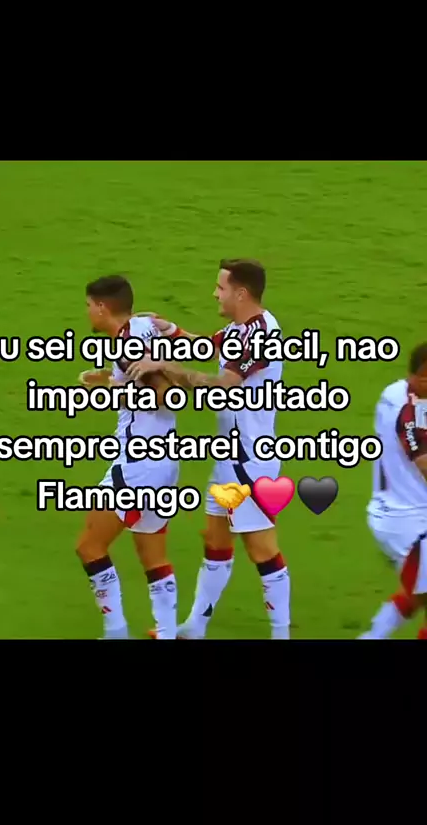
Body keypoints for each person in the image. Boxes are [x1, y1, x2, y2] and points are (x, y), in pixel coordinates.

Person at [127, 258, 291, 640]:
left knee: (262, 549)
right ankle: (195, 627)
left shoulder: (260, 335)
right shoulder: (241, 328)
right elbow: (208, 345)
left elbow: (225, 384)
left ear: (241, 293)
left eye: (220, 288)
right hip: (230, 456)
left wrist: (167, 367)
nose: (215, 294)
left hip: (250, 459)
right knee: (215, 541)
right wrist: (172, 330)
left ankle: (281, 634)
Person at [76, 275, 179, 640]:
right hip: (165, 460)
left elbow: (163, 394)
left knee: (89, 547)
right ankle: (166, 631)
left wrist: (112, 390)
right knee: (153, 555)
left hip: (138, 464)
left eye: (89, 305)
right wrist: (108, 379)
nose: (88, 312)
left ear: (103, 307)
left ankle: (115, 631)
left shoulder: (128, 342)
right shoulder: (143, 327)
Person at [359, 343, 427, 639]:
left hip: (400, 513)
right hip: (407, 523)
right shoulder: (410, 414)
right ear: (418, 377)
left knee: (417, 593)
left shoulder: (392, 392)